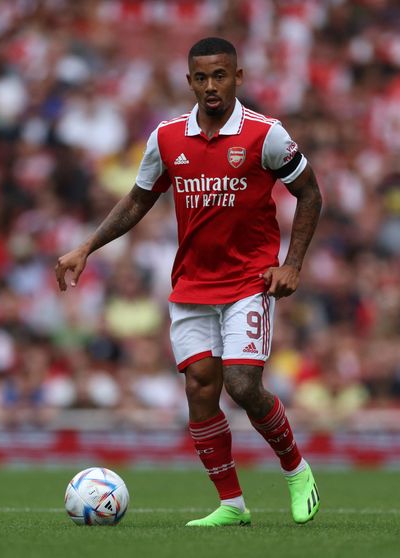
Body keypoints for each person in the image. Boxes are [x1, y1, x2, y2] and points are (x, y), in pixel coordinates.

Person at [55, 37, 322, 527]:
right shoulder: (167, 137)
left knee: (242, 384)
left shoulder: (267, 135)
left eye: (220, 75)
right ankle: (232, 505)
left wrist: (293, 263)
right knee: (201, 390)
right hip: (193, 285)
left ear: (238, 77)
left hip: (249, 279)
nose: (211, 86)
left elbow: (309, 194)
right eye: (201, 77)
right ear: (189, 82)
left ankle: (295, 468)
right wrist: (86, 247)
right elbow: (138, 200)